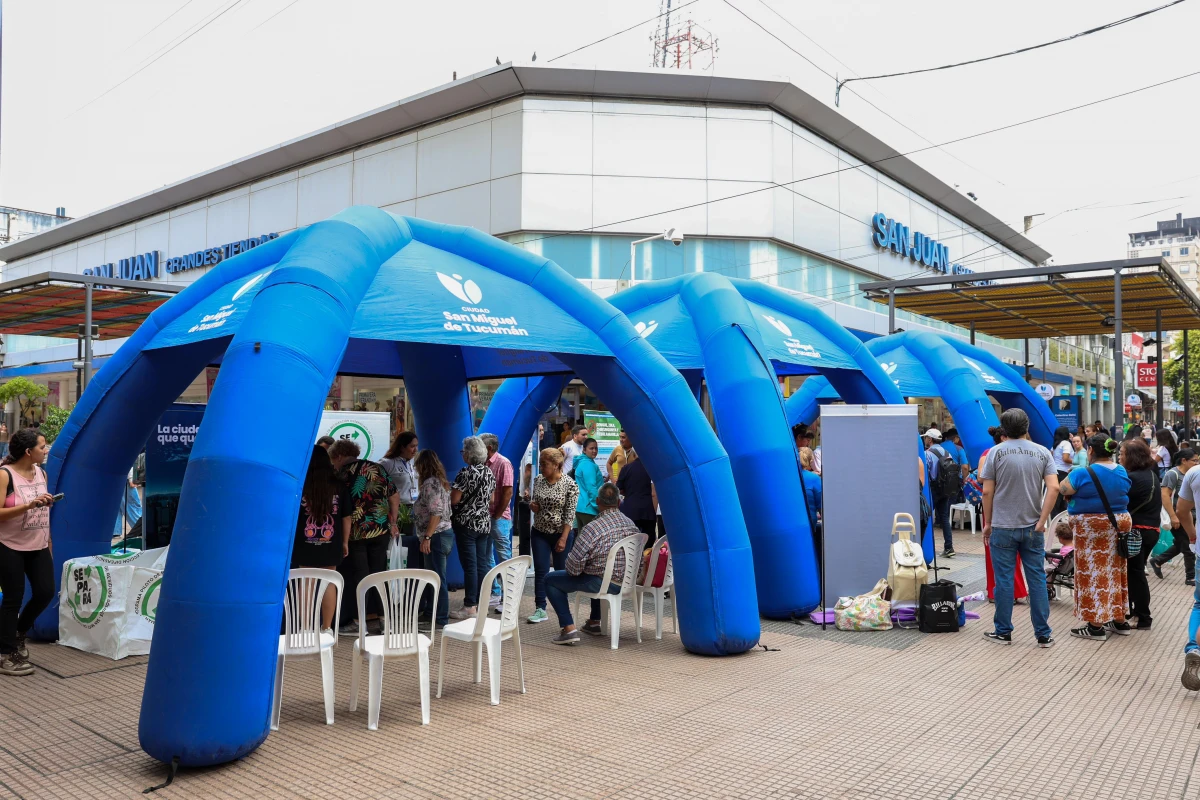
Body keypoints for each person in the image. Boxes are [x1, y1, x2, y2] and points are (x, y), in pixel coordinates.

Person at [979, 409, 1058, 648]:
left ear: (1004, 428)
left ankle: (1003, 631)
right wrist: (1042, 521)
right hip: (1033, 526)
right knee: (1036, 579)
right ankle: (1043, 634)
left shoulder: (996, 453)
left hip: (1002, 526)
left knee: (1003, 580)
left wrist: (988, 523)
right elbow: (1053, 488)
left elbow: (986, 491)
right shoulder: (1043, 452)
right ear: (1027, 426)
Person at [544, 482, 643, 644]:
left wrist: (582, 566)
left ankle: (569, 629)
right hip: (628, 582)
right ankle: (594, 621)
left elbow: (572, 569)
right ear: (619, 502)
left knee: (550, 580)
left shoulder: (592, 528)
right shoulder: (631, 524)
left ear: (597, 501)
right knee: (594, 569)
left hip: (603, 583)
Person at [1059, 434, 1132, 641]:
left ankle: (1095, 625)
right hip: (1119, 525)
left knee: (1092, 572)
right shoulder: (1121, 470)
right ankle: (1120, 619)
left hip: (1091, 528)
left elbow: (1063, 488)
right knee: (1116, 571)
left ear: (1090, 450)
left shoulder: (1083, 472)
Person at [0, 429, 57, 677]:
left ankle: (18, 633)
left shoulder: (41, 473)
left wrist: (49, 543)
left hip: (38, 544)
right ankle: (5, 655)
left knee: (45, 591)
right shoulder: (5, 475)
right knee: (13, 598)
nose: (46, 450)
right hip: (8, 545)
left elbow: (43, 514)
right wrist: (28, 505)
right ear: (28, 451)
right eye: (42, 447)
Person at [329, 439, 398, 636]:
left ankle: (360, 623)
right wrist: (392, 521)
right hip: (380, 529)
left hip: (356, 532)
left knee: (360, 576)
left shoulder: (341, 473)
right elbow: (394, 495)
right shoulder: (376, 468)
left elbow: (340, 508)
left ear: (340, 456)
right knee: (379, 574)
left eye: (334, 459)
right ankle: (385, 622)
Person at [292, 445, 352, 632]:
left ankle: (304, 628)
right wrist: (344, 541)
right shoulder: (339, 486)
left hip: (305, 543)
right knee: (328, 583)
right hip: (331, 543)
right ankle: (327, 628)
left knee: (307, 582)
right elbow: (346, 517)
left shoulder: (301, 485)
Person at [527, 448, 579, 624]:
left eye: (545, 465)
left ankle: (561, 608)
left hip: (560, 533)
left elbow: (570, 514)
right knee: (541, 570)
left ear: (557, 465)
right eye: (540, 464)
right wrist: (534, 507)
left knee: (560, 572)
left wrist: (564, 538)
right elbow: (536, 503)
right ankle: (540, 608)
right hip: (540, 531)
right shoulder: (538, 480)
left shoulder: (570, 485)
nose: (541, 468)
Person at [979, 426, 1028, 604]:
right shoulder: (990, 454)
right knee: (1000, 551)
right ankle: (1001, 591)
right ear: (1003, 438)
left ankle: (1003, 591)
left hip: (1000, 507)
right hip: (999, 507)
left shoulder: (998, 453)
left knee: (1002, 551)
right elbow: (981, 478)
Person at [449, 436, 496, 621]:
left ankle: (469, 606)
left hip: (466, 524)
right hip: (484, 524)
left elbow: (454, 500)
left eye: (463, 452)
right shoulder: (488, 472)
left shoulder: (465, 473)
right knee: (482, 564)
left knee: (470, 566)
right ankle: (481, 603)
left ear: (468, 454)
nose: (463, 455)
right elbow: (491, 500)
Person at [1120, 437, 1160, 629]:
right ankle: (1136, 612)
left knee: (1135, 573)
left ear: (1132, 457)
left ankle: (1143, 617)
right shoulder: (1151, 474)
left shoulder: (1132, 478)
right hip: (1152, 530)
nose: (1120, 457)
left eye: (1122, 454)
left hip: (1137, 531)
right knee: (1136, 572)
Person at [412, 449, 455, 627]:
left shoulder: (431, 484)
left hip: (436, 536)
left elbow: (435, 513)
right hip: (442, 534)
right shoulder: (440, 482)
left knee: (437, 578)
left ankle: (440, 618)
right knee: (434, 576)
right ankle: (431, 613)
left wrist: (427, 537)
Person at [1151, 448, 1198, 585]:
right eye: (1194, 460)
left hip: (1191, 515)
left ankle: (1157, 560)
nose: (1196, 463)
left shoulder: (1191, 474)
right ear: (1184, 460)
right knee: (1189, 545)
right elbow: (1165, 496)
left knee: (1180, 544)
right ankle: (1190, 576)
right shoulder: (1173, 474)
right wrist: (1173, 516)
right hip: (1179, 516)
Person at [479, 433, 514, 612]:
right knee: (486, 557)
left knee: (503, 557)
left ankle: (509, 597)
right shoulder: (482, 463)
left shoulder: (503, 463)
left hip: (498, 518)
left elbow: (508, 492)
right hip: (485, 517)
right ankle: (495, 592)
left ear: (489, 448)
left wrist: (498, 515)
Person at [923, 428, 958, 558]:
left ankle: (925, 548)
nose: (925, 439)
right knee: (944, 517)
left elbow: (926, 472)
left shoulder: (928, 453)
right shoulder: (946, 452)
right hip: (946, 488)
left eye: (926, 437)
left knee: (926, 517)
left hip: (933, 488)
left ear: (930, 439)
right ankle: (949, 547)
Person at [615, 432, 657, 541]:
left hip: (630, 510)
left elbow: (619, 488)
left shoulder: (626, 468)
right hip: (648, 511)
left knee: (631, 541)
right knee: (649, 542)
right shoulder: (653, 470)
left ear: (633, 454)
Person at [378, 431, 420, 518]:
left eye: (416, 446)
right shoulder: (387, 463)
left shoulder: (413, 461)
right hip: (398, 508)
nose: (416, 449)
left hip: (415, 506)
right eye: (412, 446)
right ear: (402, 447)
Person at [572, 438, 603, 532]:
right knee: (591, 540)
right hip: (589, 508)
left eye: (596, 448)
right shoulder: (588, 465)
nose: (594, 451)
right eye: (591, 448)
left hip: (581, 507)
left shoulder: (582, 462)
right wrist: (598, 506)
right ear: (584, 450)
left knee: (582, 540)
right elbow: (591, 488)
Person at [1050, 425, 1074, 517]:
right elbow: (1065, 458)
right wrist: (1076, 461)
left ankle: (1055, 517)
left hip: (1055, 471)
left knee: (1057, 497)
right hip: (1063, 472)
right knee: (1064, 495)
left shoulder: (1055, 445)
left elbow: (1051, 456)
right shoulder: (1066, 444)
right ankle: (1060, 517)